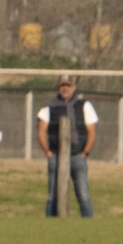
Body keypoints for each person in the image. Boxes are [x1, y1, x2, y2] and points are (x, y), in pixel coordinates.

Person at [37, 74, 98, 218]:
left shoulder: (84, 105)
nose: (65, 88)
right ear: (58, 87)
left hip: (77, 156)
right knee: (53, 196)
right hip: (56, 155)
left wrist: (86, 152)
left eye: (68, 85)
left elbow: (91, 130)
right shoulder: (49, 107)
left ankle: (89, 225)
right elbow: (41, 131)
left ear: (74, 87)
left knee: (83, 195)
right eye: (62, 85)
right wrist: (48, 153)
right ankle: (51, 226)